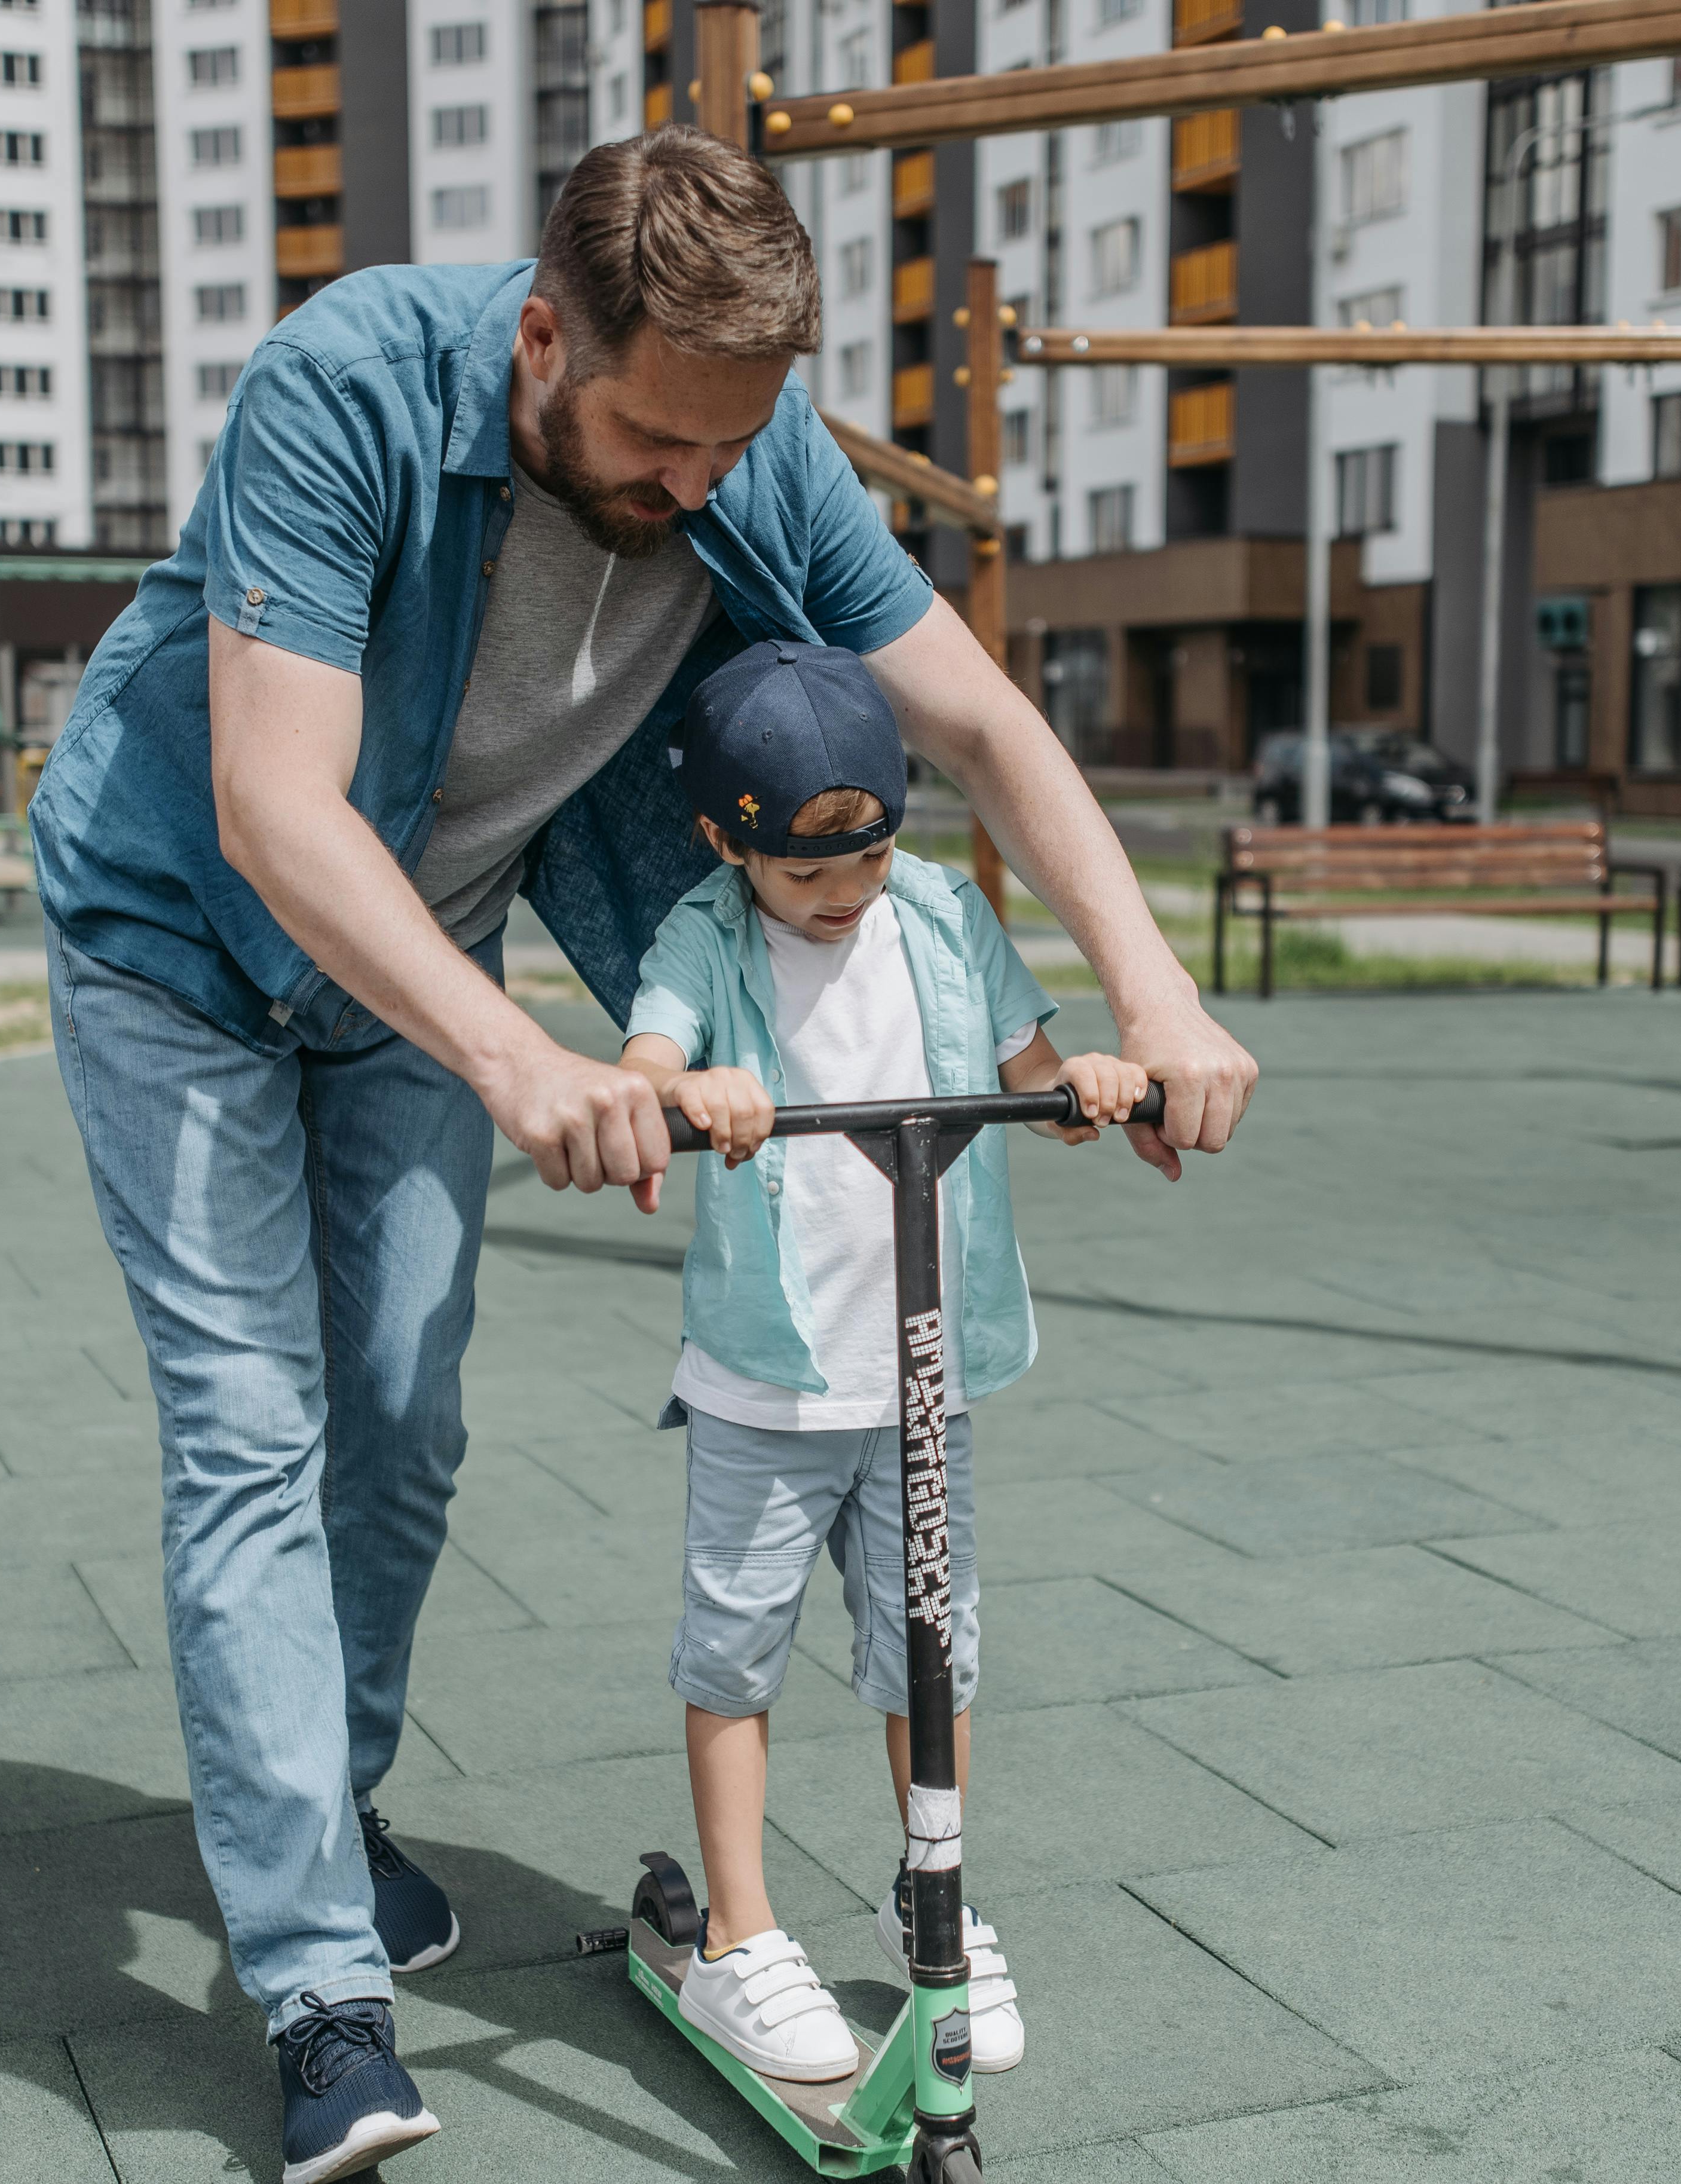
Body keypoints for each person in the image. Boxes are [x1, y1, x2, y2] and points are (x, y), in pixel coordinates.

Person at [30, 125, 1256, 2184]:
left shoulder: (746, 445)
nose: (698, 491)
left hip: (421, 960)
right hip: (181, 942)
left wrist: (1154, 993)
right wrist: (522, 1061)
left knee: (403, 1422)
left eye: (731, 450)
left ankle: (320, 1807)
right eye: (660, 443)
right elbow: (275, 804)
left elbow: (977, 727)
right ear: (542, 337)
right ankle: (322, 1987)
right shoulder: (347, 387)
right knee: (253, 1430)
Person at [618, 640, 1150, 2082]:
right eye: (805, 878)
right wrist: (689, 1086)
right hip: (765, 1381)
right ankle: (738, 1933)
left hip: (923, 1372)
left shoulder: (938, 915)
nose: (841, 897)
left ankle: (935, 1894)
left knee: (933, 1649)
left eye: (864, 861)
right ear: (731, 844)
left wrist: (1077, 1083)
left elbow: (1028, 1067)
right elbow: (649, 1063)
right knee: (734, 1650)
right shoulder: (701, 937)